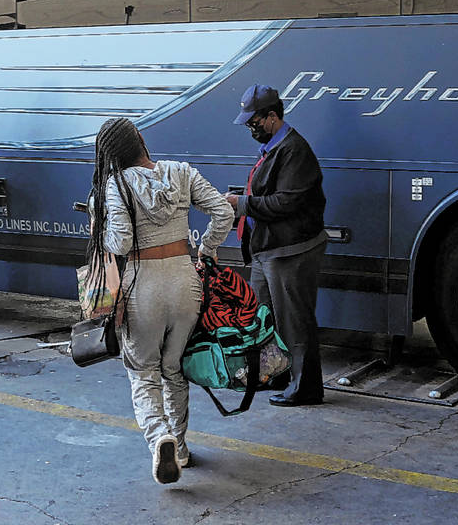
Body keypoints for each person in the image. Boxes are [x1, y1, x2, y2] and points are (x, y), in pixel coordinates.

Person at [89, 117, 233, 485]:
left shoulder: (115, 184)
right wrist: (207, 249)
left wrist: (98, 220)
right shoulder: (180, 172)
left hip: (143, 285)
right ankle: (181, 448)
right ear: (140, 140)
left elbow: (120, 243)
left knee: (142, 371)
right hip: (185, 282)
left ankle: (160, 439)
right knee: (174, 369)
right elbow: (224, 211)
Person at [226, 84, 326, 407]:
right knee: (265, 316)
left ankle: (306, 388)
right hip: (266, 251)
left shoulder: (295, 151)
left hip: (290, 251)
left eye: (253, 122)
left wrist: (241, 204)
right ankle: (279, 375)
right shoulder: (272, 149)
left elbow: (286, 203)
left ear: (272, 117)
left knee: (294, 321)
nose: (250, 128)